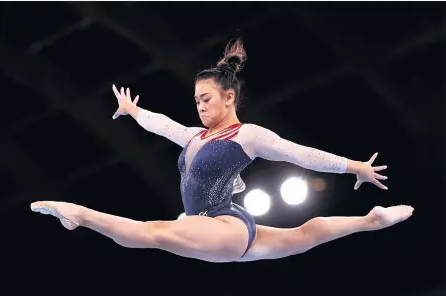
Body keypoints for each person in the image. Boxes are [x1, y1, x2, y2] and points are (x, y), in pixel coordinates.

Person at [31, 39, 413, 263]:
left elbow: (299, 154)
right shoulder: (196, 137)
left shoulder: (247, 135)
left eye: (207, 98)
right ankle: (371, 221)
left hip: (226, 225)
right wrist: (134, 112)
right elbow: (164, 125)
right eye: (196, 100)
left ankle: (79, 213)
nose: (200, 106)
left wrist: (354, 167)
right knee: (307, 233)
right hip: (220, 227)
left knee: (154, 232)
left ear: (229, 97)